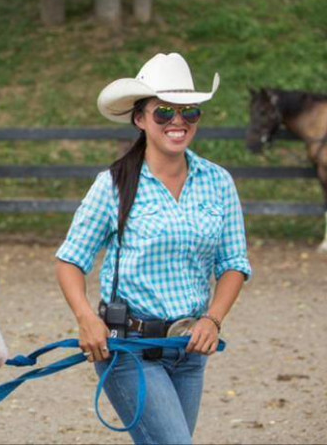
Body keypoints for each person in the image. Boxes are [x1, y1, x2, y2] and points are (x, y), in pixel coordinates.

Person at [55, 53, 252, 444]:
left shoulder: (218, 182)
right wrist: (85, 317)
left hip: (190, 351)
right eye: (163, 112)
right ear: (140, 119)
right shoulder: (113, 184)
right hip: (130, 351)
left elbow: (233, 264)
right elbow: (70, 260)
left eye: (189, 112)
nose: (177, 121)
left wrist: (212, 320)